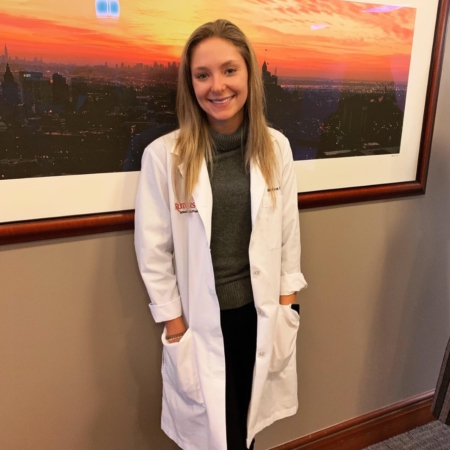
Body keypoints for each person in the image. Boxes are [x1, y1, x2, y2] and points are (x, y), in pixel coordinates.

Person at [134, 19, 307, 450]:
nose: (217, 86)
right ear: (189, 82)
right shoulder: (164, 157)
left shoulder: (276, 147)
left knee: (245, 430)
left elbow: (288, 233)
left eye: (230, 70)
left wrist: (288, 305)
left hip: (258, 314)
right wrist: (175, 327)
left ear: (250, 73)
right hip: (200, 322)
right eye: (203, 74)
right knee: (215, 435)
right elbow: (153, 251)